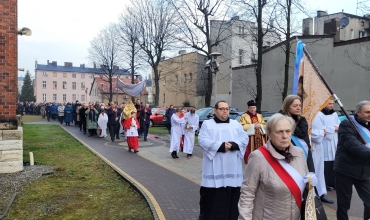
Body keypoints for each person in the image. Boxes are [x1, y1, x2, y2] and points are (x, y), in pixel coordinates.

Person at [238, 113, 316, 219]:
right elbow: (247, 193)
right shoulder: (258, 157)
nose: (284, 136)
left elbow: (304, 181)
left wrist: (310, 182)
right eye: (279, 132)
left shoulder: (299, 153)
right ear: (269, 134)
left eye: (288, 131)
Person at [198, 101, 249, 220]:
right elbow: (202, 140)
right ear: (215, 111)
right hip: (213, 171)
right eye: (222, 109)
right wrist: (220, 146)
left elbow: (244, 138)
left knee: (232, 205)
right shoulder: (207, 124)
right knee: (213, 206)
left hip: (233, 171)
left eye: (227, 109)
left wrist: (233, 144)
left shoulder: (235, 124)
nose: (225, 111)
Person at [335, 100, 370, 220]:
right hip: (346, 169)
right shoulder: (347, 124)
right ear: (358, 112)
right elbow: (352, 144)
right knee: (344, 203)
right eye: (367, 112)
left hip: (365, 171)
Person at [280, 95, 315, 172]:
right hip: (286, 155)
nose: (298, 108)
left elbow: (302, 134)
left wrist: (289, 120)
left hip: (303, 153)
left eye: (299, 105)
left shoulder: (302, 120)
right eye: (295, 106)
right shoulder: (279, 119)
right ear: (287, 106)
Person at [311, 110, 334, 203]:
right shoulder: (304, 114)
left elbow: (324, 127)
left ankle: (321, 193)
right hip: (310, 145)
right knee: (312, 171)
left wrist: (324, 131)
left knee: (320, 170)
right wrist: (321, 133)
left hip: (318, 146)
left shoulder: (318, 113)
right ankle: (313, 195)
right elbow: (306, 130)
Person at [317, 99, 340, 191]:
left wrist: (337, 127)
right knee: (326, 164)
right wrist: (333, 128)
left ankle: (333, 182)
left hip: (334, 139)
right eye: (329, 104)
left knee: (334, 162)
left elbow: (338, 123)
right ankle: (325, 183)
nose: (331, 105)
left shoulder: (334, 113)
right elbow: (319, 127)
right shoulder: (319, 114)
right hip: (325, 141)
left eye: (332, 104)